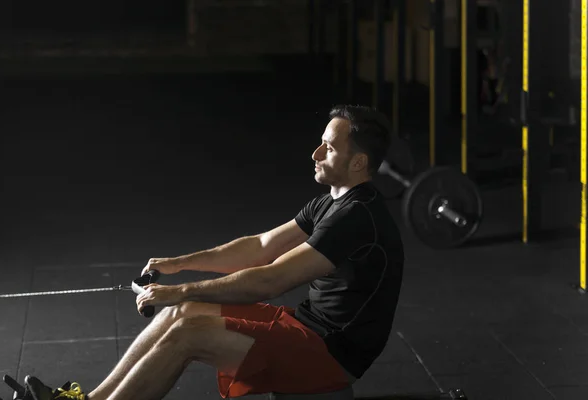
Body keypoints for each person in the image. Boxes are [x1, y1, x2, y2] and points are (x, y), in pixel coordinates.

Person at [24, 104, 405, 400]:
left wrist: (180, 289)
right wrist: (179, 265)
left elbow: (269, 279)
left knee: (189, 330)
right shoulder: (331, 203)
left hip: (330, 354)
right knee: (181, 313)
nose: (316, 151)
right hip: (305, 327)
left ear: (358, 162)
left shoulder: (357, 216)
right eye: (321, 141)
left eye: (330, 146)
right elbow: (259, 247)